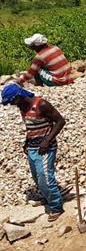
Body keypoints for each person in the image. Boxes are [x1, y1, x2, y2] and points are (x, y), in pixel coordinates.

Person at [1, 83, 66, 221]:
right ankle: (48, 197)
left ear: (19, 97)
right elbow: (31, 127)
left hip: (46, 148)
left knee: (45, 177)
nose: (13, 105)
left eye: (12, 101)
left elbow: (60, 121)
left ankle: (56, 206)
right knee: (37, 176)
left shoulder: (41, 104)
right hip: (32, 147)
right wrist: (26, 142)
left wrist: (47, 140)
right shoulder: (23, 108)